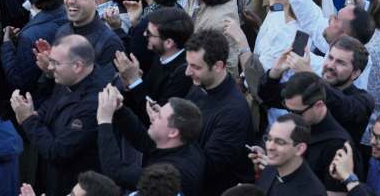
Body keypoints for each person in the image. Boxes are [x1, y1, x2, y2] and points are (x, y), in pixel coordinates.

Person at [13, 34, 113, 196]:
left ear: (77, 66)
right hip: (51, 175)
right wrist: (34, 113)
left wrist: (29, 120)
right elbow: (50, 106)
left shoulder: (93, 103)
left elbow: (59, 152)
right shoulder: (69, 79)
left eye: (55, 63)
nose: (50, 67)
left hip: (73, 186)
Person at [94, 88, 205, 196]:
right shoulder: (183, 141)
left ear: (173, 132)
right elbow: (144, 142)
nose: (153, 116)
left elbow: (117, 172)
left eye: (159, 116)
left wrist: (104, 121)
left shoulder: (171, 173)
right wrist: (120, 109)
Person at [182, 29, 253, 195]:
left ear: (218, 66)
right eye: (188, 64)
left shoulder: (234, 112)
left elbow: (208, 167)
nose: (187, 72)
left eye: (195, 67)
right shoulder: (200, 86)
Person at [251, 114, 327, 196]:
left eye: (280, 142)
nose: (270, 147)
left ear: (299, 149)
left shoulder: (313, 192)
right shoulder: (271, 167)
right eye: (269, 139)